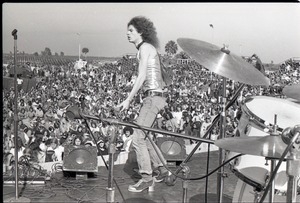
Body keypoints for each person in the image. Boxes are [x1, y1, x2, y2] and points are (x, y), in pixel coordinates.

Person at [116, 16, 169, 193]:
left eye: (131, 30)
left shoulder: (145, 48)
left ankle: (147, 178)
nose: (127, 34)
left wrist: (128, 99)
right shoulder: (145, 48)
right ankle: (163, 170)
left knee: (138, 137)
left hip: (153, 97)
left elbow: (141, 76)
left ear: (141, 32)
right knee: (144, 136)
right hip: (154, 97)